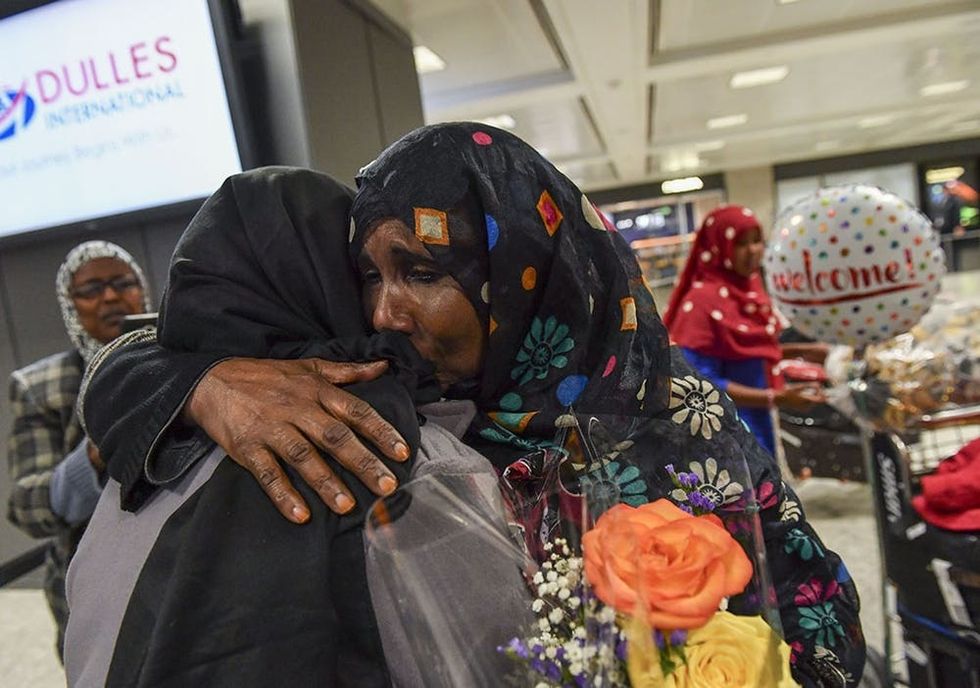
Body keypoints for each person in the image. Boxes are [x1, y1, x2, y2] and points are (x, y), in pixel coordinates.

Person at [71, 125, 865, 687]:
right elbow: (154, 350)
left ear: (525, 268)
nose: (384, 313)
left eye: (421, 272)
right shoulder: (413, 415)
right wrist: (204, 383)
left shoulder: (671, 408)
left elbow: (811, 611)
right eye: (370, 278)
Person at [6, 240, 150, 657]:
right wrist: (95, 453)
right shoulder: (39, 387)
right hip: (92, 582)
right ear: (69, 304)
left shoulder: (177, 357)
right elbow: (27, 506)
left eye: (122, 283)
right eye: (91, 289)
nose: (110, 297)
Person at [663, 205, 828, 456]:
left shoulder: (748, 288)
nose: (753, 251)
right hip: (730, 433)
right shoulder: (701, 302)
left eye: (757, 241)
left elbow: (743, 351)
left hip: (762, 422)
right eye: (741, 243)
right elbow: (700, 383)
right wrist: (775, 397)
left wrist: (800, 351)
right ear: (719, 247)